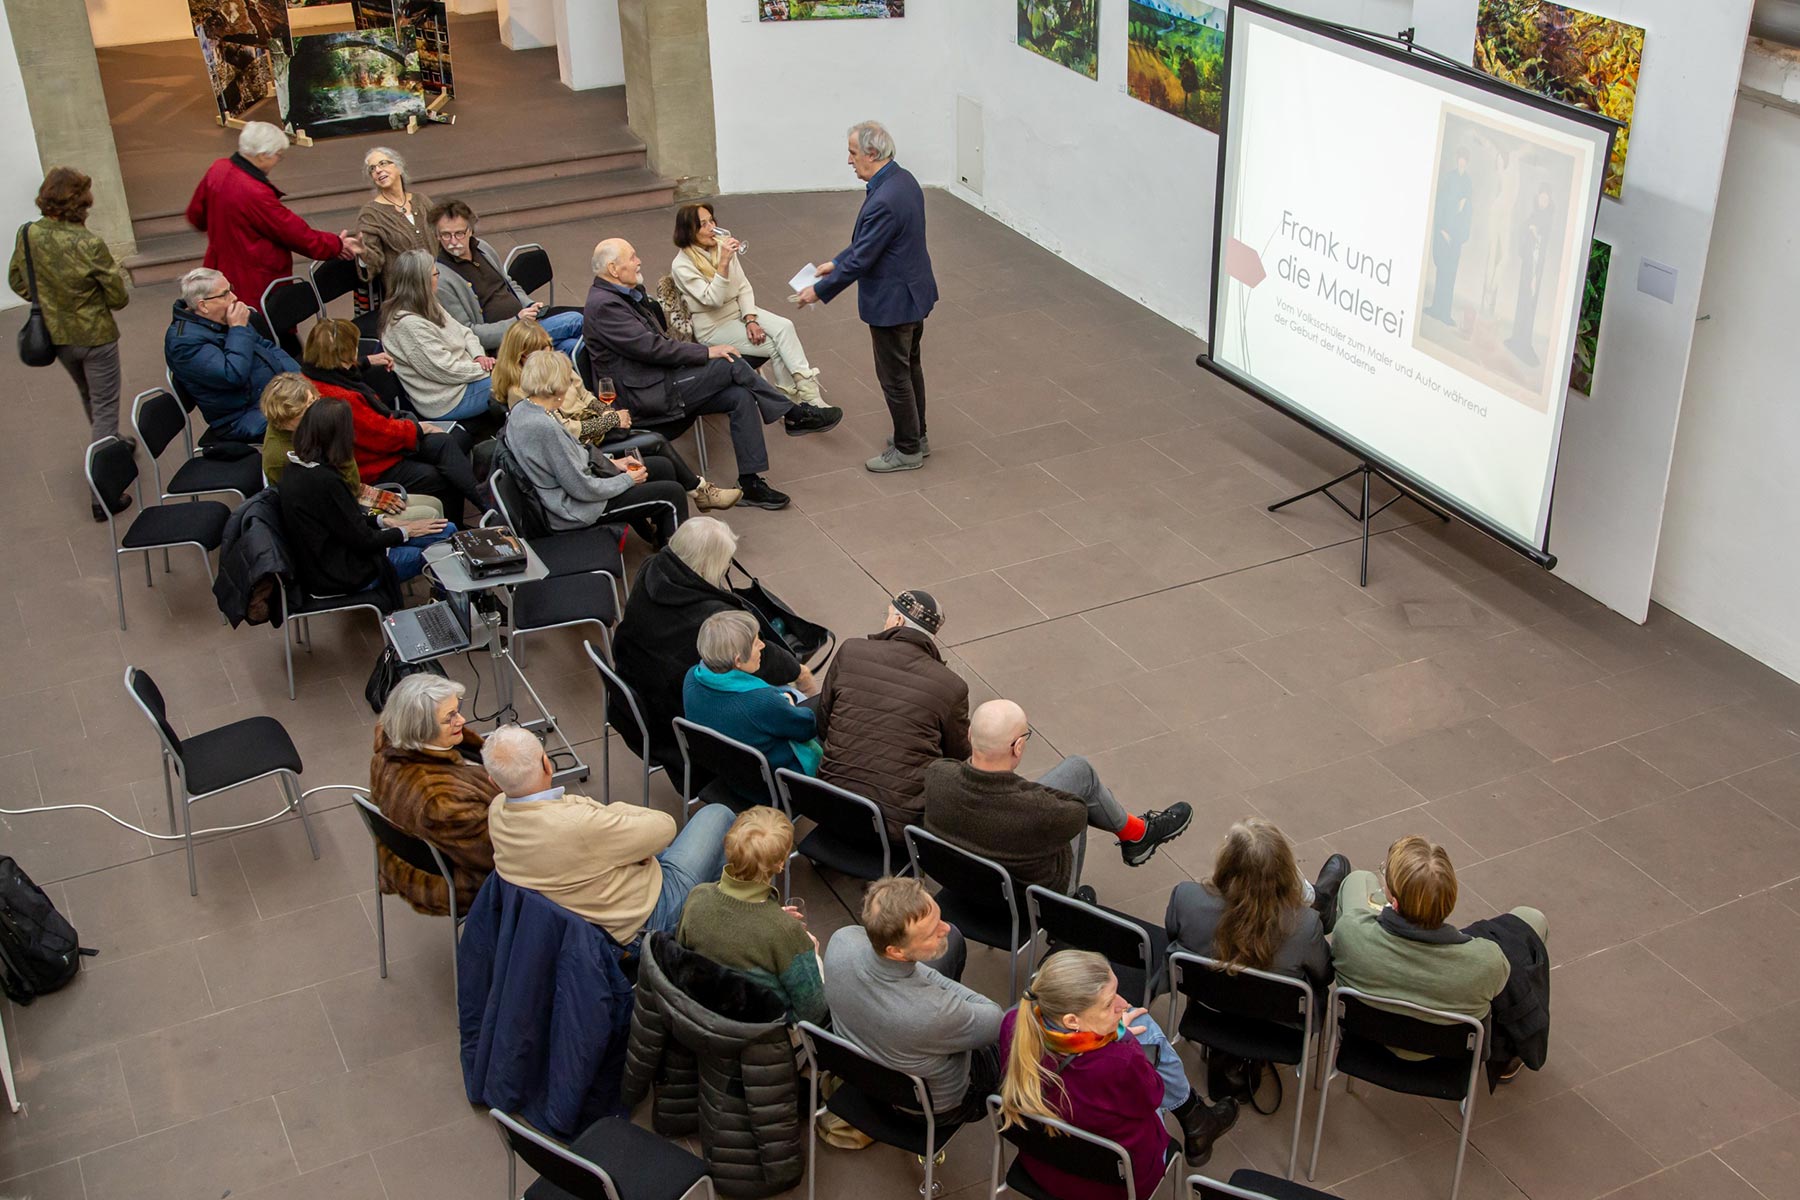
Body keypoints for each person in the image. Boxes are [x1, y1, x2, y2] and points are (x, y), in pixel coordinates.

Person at [584, 237, 844, 512]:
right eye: (632, 257)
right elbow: (653, 348)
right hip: (646, 397)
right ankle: (793, 414)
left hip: (661, 381)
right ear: (613, 269)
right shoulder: (605, 306)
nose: (639, 261)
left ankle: (750, 484)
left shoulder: (624, 294)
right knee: (728, 363)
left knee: (739, 395)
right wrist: (706, 352)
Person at [481, 723, 735, 946]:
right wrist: (614, 816)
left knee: (685, 850)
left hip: (589, 916)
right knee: (718, 814)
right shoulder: (577, 824)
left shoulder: (498, 810)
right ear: (547, 764)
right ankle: (705, 922)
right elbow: (664, 826)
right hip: (645, 919)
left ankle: (711, 912)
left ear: (494, 782)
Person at [1000, 950, 1237, 1188]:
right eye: (1108, 1003)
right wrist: (1121, 1036)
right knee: (1144, 1026)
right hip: (1116, 1184)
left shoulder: (1012, 1024)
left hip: (1042, 1167)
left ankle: (1196, 1118)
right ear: (1072, 1021)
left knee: (1137, 1021)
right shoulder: (1120, 1062)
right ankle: (1195, 1117)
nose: (1123, 1004)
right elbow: (1154, 1095)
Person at [612, 516, 815, 774]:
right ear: (708, 565)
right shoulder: (711, 619)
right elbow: (763, 661)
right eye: (725, 561)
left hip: (634, 699)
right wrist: (799, 673)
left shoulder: (652, 568)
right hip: (680, 727)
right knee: (792, 698)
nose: (727, 567)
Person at [922, 700, 1191, 893]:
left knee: (1078, 771)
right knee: (1079, 781)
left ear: (970, 735)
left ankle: (1136, 834)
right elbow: (1077, 810)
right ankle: (1073, 899)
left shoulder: (937, 775)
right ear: (1018, 747)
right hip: (1025, 901)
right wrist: (1024, 794)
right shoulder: (1043, 811)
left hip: (959, 886)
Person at [1166, 820, 1346, 1102]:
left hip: (1209, 1008)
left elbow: (1172, 937)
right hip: (1278, 1024)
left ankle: (1321, 898)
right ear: (1285, 873)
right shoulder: (1305, 925)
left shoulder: (1185, 897)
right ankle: (1320, 898)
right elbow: (1324, 975)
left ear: (1226, 862)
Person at [796, 121, 938, 474]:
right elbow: (872, 243)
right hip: (912, 294)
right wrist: (836, 263)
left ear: (872, 153)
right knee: (910, 367)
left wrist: (818, 290)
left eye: (853, 153)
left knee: (895, 378)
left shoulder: (885, 198)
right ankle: (916, 435)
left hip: (893, 304)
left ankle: (907, 450)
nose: (849, 160)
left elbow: (864, 257)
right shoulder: (902, 180)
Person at [493, 319, 738, 512]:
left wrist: (608, 411)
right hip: (586, 443)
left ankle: (680, 502)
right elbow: (568, 433)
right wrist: (611, 420)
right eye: (542, 350)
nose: (550, 352)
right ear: (523, 356)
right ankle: (699, 491)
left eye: (549, 345)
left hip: (594, 429)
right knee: (656, 441)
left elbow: (585, 394)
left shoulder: (555, 364)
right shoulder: (525, 393)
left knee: (655, 447)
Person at [1330, 836, 1548, 1044]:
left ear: (1393, 902)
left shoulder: (1350, 933)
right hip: (1444, 1056)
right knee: (1532, 919)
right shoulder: (1489, 962)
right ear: (1451, 898)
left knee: (1359, 879)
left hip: (1366, 1039)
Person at [824, 877, 1001, 1123]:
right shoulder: (934, 1012)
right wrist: (946, 1003)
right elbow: (996, 1018)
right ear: (896, 951)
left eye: (939, 918)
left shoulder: (842, 940)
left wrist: (937, 995)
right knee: (1019, 1029)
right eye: (931, 932)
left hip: (862, 1075)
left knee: (954, 943)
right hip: (931, 1107)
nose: (945, 928)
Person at [9, 167, 132, 521]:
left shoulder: (29, 233)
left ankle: (113, 444)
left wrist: (49, 301)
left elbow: (16, 280)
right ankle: (103, 493)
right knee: (105, 407)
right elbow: (118, 297)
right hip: (95, 336)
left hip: (57, 336)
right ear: (81, 202)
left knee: (89, 395)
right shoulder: (88, 243)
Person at [815, 590, 969, 846]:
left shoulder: (851, 651)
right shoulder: (951, 687)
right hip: (896, 830)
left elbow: (823, 724)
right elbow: (957, 760)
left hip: (828, 805)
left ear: (898, 620)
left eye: (887, 615)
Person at [301, 318, 486, 520]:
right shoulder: (343, 399)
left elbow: (342, 371)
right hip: (372, 466)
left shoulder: (314, 375)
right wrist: (419, 429)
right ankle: (475, 513)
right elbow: (382, 436)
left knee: (444, 443)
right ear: (345, 356)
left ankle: (484, 505)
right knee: (438, 473)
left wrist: (367, 361)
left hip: (372, 451)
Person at [504, 349, 688, 546]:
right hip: (576, 509)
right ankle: (678, 561)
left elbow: (573, 458)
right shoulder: (544, 427)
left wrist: (612, 462)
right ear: (557, 387)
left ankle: (661, 541)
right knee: (673, 494)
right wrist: (627, 480)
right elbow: (582, 488)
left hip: (578, 489)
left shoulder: (523, 409)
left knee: (663, 467)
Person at [275, 398, 454, 599]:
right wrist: (406, 530)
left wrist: (383, 521)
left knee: (447, 531)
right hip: (345, 573)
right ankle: (447, 605)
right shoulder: (325, 480)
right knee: (443, 549)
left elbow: (344, 521)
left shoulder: (295, 469)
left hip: (335, 559)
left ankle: (444, 600)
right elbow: (363, 540)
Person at [185, 121, 360, 318]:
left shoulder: (218, 169)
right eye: (278, 155)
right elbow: (294, 232)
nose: (278, 160)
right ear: (263, 155)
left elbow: (196, 216)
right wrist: (335, 245)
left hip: (220, 269)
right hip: (254, 279)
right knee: (261, 326)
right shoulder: (253, 192)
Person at [676, 806, 826, 1025]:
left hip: (703, 1013)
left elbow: (682, 957)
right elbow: (813, 1013)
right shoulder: (785, 932)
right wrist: (811, 956)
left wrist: (771, 919)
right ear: (779, 864)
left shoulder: (697, 897)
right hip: (766, 1033)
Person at [669, 203, 826, 406]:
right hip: (713, 325)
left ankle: (809, 395)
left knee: (785, 326)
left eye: (712, 221)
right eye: (703, 224)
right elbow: (713, 300)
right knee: (776, 347)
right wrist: (723, 264)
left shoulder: (721, 247)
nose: (712, 227)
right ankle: (790, 405)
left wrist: (750, 318)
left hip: (738, 312)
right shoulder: (682, 265)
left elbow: (743, 286)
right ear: (688, 230)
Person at [370, 674, 497, 916]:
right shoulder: (440, 801)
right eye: (450, 717)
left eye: (457, 710)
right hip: (464, 883)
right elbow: (497, 853)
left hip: (424, 854)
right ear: (421, 728)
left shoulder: (387, 753)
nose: (462, 720)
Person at [257, 372, 442, 523]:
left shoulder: (308, 425)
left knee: (435, 503)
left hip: (349, 492)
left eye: (314, 400)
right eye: (307, 408)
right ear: (287, 417)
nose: (317, 408)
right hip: (337, 514)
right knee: (430, 513)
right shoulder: (281, 456)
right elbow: (322, 505)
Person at [682, 611, 822, 783]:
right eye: (756, 643)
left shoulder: (691, 679)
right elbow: (806, 727)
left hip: (730, 774)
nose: (763, 646)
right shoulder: (763, 702)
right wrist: (789, 703)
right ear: (738, 661)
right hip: (778, 783)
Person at [431, 199, 582, 354]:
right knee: (576, 320)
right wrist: (516, 321)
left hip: (526, 324)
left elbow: (509, 283)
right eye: (446, 235)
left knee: (574, 347)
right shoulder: (442, 278)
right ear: (437, 236)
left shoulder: (482, 248)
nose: (453, 241)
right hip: (506, 343)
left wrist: (529, 305)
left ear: (470, 230)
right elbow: (468, 332)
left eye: (459, 233)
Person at [165, 267, 298, 442]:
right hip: (242, 417)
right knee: (320, 423)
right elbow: (233, 375)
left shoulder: (224, 319)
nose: (234, 297)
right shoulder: (184, 343)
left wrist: (300, 380)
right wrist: (238, 329)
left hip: (275, 396)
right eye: (225, 294)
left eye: (231, 289)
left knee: (326, 402)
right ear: (203, 306)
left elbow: (268, 348)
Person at [380, 249, 500, 423]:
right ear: (422, 283)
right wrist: (490, 369)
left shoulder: (428, 304)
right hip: (450, 398)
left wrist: (479, 356)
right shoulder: (407, 325)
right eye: (435, 274)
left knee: (524, 373)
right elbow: (446, 370)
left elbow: (465, 332)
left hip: (467, 376)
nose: (438, 278)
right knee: (520, 382)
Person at [355, 147, 436, 301]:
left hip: (440, 286)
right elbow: (374, 263)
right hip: (405, 296)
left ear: (399, 167)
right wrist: (364, 253)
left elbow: (442, 234)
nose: (378, 170)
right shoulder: (370, 214)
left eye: (383, 163)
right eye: (372, 169)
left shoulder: (421, 201)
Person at [1506, 185, 1555, 367]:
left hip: (1535, 265)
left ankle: (1523, 342)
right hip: (1528, 263)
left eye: (1546, 199)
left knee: (1529, 304)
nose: (1543, 201)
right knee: (1522, 301)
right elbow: (1524, 228)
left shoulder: (1547, 218)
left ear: (1549, 201)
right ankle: (1516, 338)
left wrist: (1534, 231)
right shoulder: (1535, 214)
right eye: (1541, 198)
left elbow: (1540, 241)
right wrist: (1529, 229)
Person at [1425, 150, 1473, 323]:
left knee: (1450, 274)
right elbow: (1441, 204)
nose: (1462, 161)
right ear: (1457, 159)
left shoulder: (1468, 183)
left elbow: (1468, 212)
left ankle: (1445, 313)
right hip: (1444, 231)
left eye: (1464, 159)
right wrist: (1442, 230)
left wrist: (1457, 236)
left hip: (1456, 237)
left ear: (1467, 162)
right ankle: (1436, 308)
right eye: (1460, 158)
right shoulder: (1449, 178)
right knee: (1441, 272)